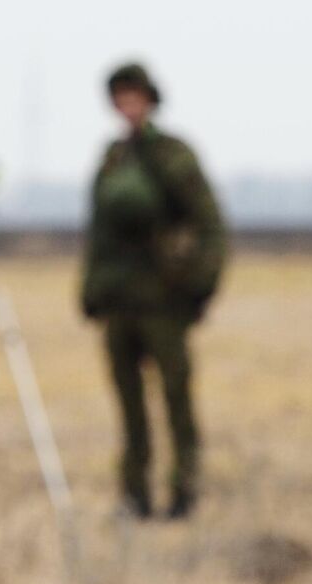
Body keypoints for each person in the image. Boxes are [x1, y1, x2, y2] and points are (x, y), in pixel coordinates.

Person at [80, 62, 226, 520]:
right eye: (119, 98)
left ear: (150, 99)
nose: (127, 106)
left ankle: (184, 492)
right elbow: (98, 231)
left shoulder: (173, 155)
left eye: (134, 96)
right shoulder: (112, 158)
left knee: (176, 399)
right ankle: (133, 496)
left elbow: (209, 225)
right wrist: (91, 289)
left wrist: (199, 287)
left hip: (165, 298)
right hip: (120, 299)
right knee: (129, 406)